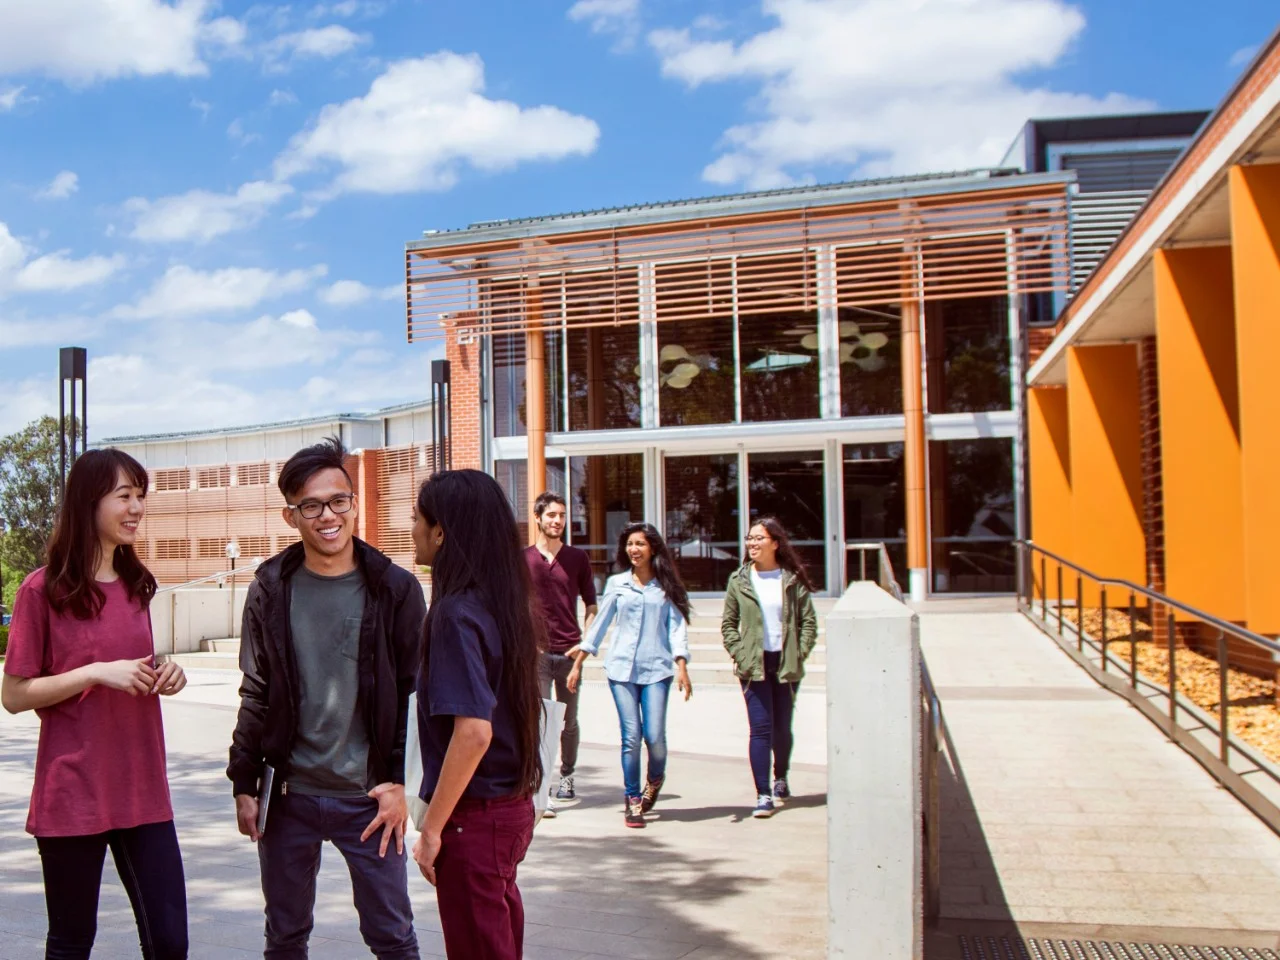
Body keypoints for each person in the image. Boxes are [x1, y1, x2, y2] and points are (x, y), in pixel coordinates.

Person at [227, 437, 425, 960]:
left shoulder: (395, 589)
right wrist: (244, 782)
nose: (327, 515)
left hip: (370, 798)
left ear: (355, 502)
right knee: (285, 938)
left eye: (339, 500)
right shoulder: (270, 587)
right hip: (288, 796)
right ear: (291, 516)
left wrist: (400, 783)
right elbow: (256, 689)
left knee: (393, 938)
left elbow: (413, 695)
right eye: (310, 506)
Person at [1, 448, 189, 960]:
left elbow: (136, 667)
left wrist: (168, 672)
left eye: (140, 496)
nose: (136, 508)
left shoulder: (137, 586)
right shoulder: (42, 591)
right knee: (70, 944)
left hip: (143, 790)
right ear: (89, 502)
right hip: (72, 795)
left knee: (170, 943)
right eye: (124, 496)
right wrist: (91, 674)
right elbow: (13, 694)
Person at [409, 470, 543, 960]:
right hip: (510, 809)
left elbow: (473, 732)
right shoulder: (505, 605)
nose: (412, 529)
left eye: (418, 519)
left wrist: (432, 830)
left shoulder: (454, 614)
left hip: (477, 817)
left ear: (441, 531)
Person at [569, 522, 691, 829]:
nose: (634, 549)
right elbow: (600, 624)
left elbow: (676, 627)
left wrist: (682, 665)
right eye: (630, 544)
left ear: (653, 549)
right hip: (621, 670)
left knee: (655, 738)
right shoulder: (617, 584)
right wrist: (580, 659)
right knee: (631, 737)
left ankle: (656, 777)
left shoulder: (665, 587)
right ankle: (633, 799)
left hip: (657, 670)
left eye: (640, 544)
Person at [721, 517, 819, 819]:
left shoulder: (791, 578)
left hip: (785, 663)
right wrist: (740, 653)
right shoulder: (739, 580)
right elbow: (728, 625)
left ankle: (781, 776)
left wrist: (798, 653)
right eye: (750, 538)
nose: (752, 543)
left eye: (759, 538)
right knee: (760, 729)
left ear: (775, 543)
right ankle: (763, 794)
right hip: (754, 663)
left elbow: (809, 623)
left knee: (781, 729)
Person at [524, 491, 597, 813]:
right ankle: (540, 787)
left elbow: (592, 605)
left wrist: (585, 645)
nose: (557, 521)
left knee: (568, 721)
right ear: (538, 518)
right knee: (539, 721)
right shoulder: (522, 559)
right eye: (551, 515)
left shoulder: (577, 559)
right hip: (537, 655)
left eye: (562, 516)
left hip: (570, 654)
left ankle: (566, 775)